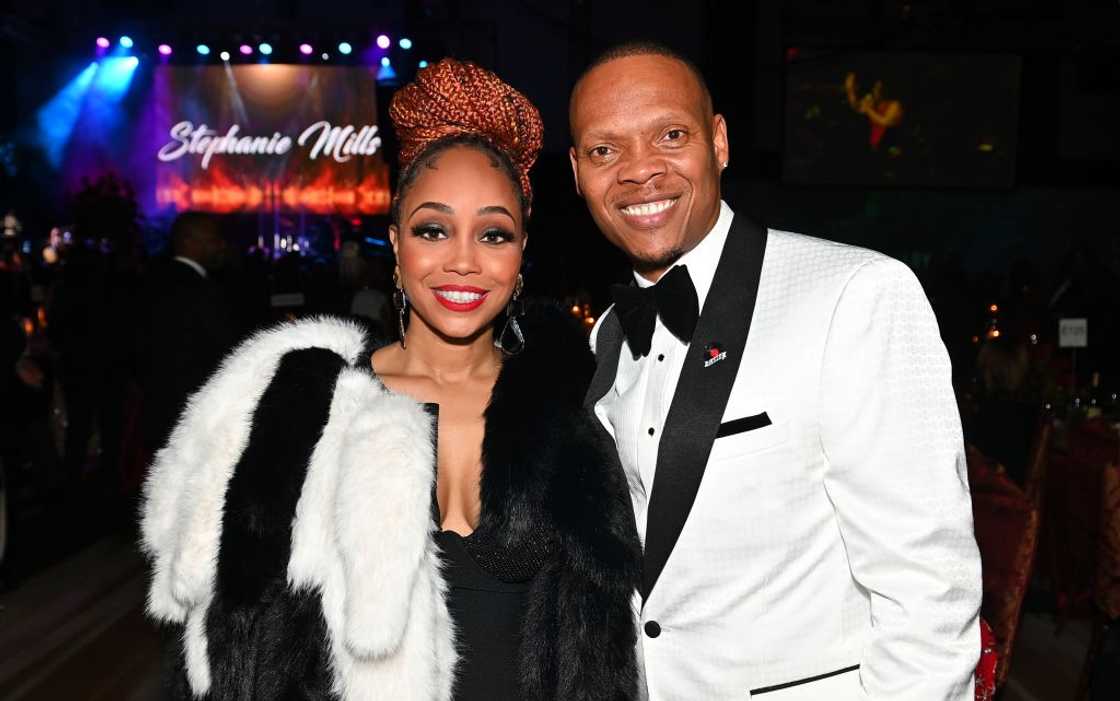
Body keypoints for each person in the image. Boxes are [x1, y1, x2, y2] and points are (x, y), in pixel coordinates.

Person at [141, 58, 640, 701]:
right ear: (396, 245)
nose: (462, 260)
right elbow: (227, 639)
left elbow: (603, 648)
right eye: (433, 229)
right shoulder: (305, 410)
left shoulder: (575, 412)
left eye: (493, 233)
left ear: (520, 260)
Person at [570, 42, 983, 699]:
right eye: (604, 150)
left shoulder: (854, 294)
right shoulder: (608, 338)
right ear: (576, 171)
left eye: (669, 135)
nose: (638, 171)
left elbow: (929, 587)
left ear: (719, 141)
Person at [139, 212, 236, 459]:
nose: (221, 245)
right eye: (214, 239)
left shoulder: (150, 282)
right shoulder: (203, 291)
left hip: (155, 408)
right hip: (195, 416)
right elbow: (224, 353)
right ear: (190, 241)